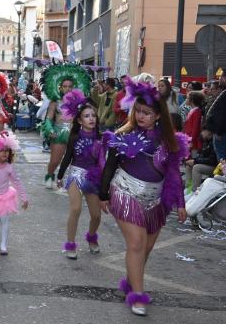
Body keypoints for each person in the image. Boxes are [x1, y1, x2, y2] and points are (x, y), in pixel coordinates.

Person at [99, 77, 188, 316]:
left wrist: (180, 202)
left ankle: (131, 282)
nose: (140, 116)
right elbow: (109, 166)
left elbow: (173, 173)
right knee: (136, 244)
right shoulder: (123, 135)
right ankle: (137, 296)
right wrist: (103, 194)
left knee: (145, 248)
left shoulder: (169, 140)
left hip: (156, 200)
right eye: (137, 111)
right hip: (125, 192)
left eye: (147, 113)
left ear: (158, 115)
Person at [56, 90, 105, 259]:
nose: (91, 118)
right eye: (86, 116)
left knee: (96, 215)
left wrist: (106, 184)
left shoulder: (100, 138)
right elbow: (67, 157)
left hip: (93, 176)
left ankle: (91, 237)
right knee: (76, 209)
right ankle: (70, 244)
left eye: (93, 115)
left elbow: (102, 162)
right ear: (79, 120)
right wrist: (60, 175)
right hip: (76, 174)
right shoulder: (75, 136)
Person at [40, 63, 92, 189]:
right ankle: (50, 175)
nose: (67, 89)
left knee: (78, 161)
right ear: (60, 88)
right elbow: (48, 118)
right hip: (59, 134)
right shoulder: (55, 102)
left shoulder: (79, 102)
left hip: (75, 134)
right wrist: (50, 129)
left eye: (70, 86)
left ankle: (74, 181)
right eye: (65, 86)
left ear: (74, 87)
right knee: (55, 161)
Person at [204, 72, 226, 160]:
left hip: (221, 134)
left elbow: (222, 114)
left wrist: (218, 131)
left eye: (221, 77)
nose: (220, 79)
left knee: (221, 160)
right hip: (219, 132)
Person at [183, 91, 204, 156]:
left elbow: (196, 128)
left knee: (193, 157)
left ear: (191, 100)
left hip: (194, 142)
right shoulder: (192, 110)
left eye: (187, 98)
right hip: (189, 139)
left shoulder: (197, 111)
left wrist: (191, 140)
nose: (186, 100)